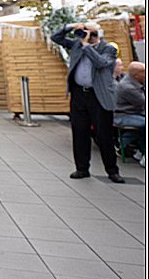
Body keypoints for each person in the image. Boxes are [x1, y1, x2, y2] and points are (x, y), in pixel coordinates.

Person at [50, 21, 122, 183]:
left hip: (98, 96)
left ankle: (112, 171)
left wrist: (87, 46)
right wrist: (70, 26)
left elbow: (101, 63)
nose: (85, 35)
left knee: (103, 134)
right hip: (78, 94)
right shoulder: (76, 44)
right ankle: (82, 168)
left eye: (89, 32)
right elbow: (55, 37)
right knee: (79, 132)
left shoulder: (108, 48)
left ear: (97, 34)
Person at [112, 61, 145, 163]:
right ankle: (144, 155)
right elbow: (144, 103)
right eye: (143, 72)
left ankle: (124, 142)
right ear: (136, 75)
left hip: (135, 113)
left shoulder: (135, 80)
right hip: (123, 116)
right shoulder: (128, 87)